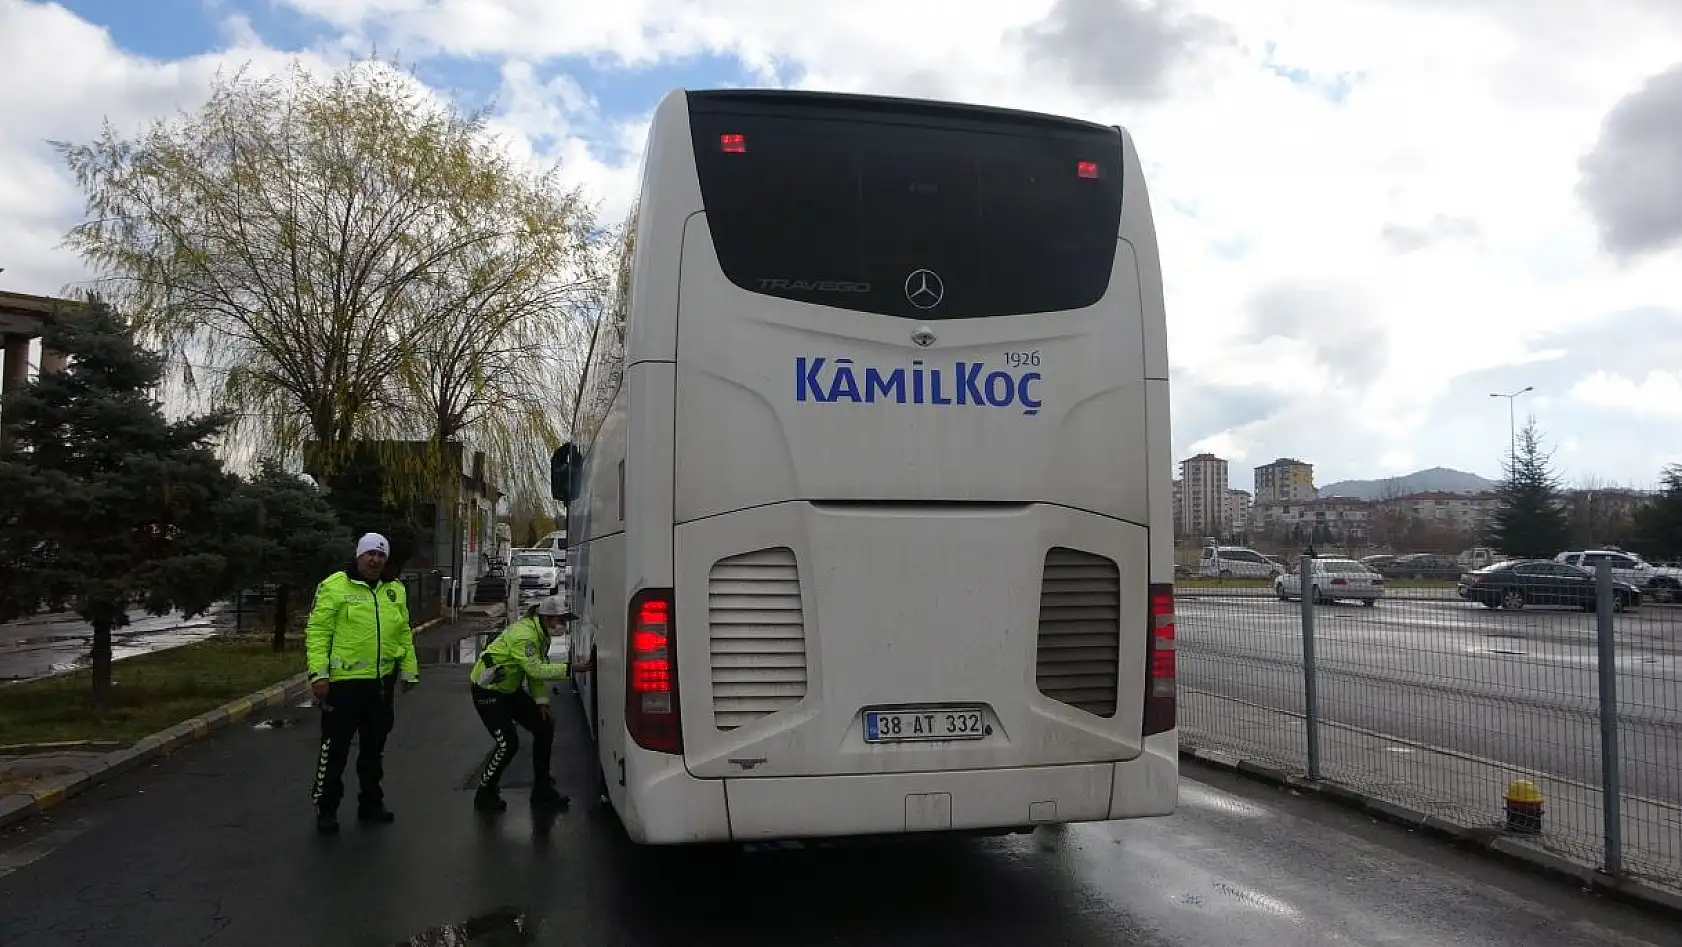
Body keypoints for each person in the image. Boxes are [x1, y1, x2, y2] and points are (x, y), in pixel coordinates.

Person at [305, 532, 419, 834]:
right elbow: (317, 633)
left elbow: (403, 632)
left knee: (374, 750)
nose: (375, 560)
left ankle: (371, 803)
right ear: (359, 555)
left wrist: (409, 670)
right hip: (342, 686)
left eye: (381, 555)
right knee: (335, 750)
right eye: (370, 554)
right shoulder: (334, 586)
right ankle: (326, 808)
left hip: (381, 686)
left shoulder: (394, 590)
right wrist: (319, 674)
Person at [469, 595, 588, 813]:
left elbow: (534, 674)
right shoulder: (525, 636)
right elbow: (535, 670)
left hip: (508, 690)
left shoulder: (541, 634)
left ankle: (542, 790)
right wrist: (572, 668)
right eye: (560, 620)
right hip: (487, 691)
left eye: (565, 621)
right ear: (546, 617)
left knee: (544, 727)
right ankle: (485, 792)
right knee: (508, 744)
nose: (563, 626)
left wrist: (541, 702)